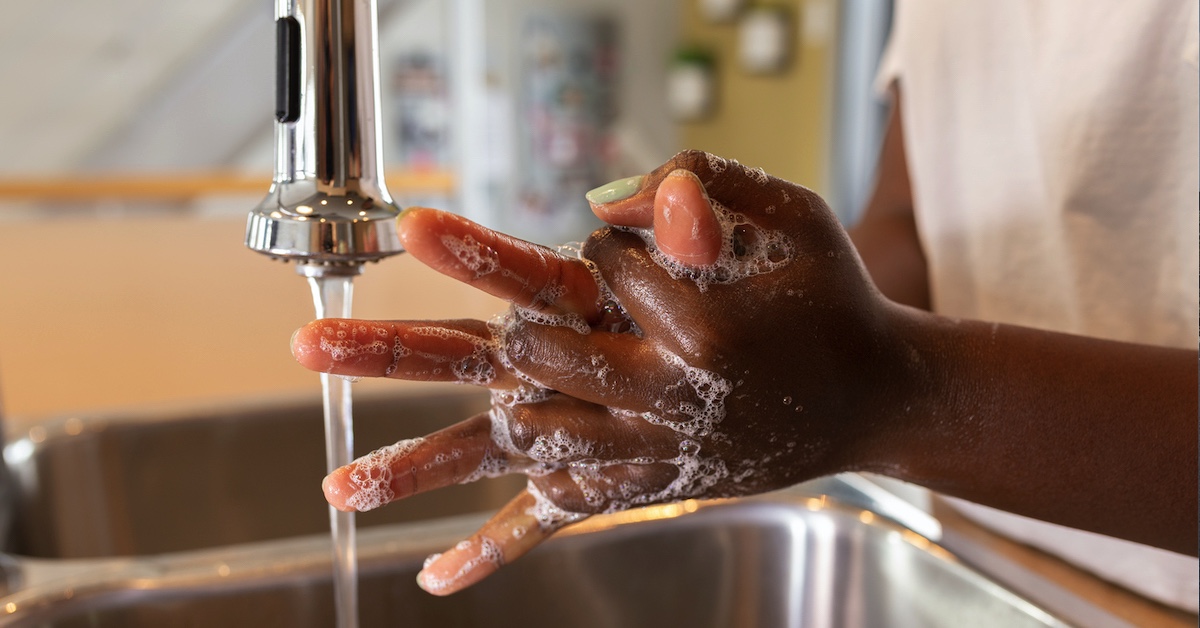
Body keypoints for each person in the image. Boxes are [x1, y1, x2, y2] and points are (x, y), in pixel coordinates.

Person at [290, 0, 1199, 603]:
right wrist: (719, 341)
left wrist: (890, 391)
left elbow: (889, 372)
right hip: (978, 556)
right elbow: (915, 218)